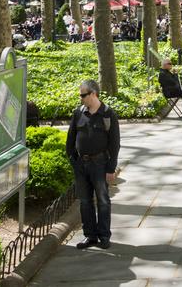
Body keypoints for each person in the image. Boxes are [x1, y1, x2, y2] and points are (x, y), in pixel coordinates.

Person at [66, 80, 120, 250]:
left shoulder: (107, 114)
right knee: (84, 201)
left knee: (103, 200)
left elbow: (114, 143)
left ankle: (104, 236)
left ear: (93, 94)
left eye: (83, 95)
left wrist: (111, 168)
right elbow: (70, 139)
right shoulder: (78, 113)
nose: (81, 98)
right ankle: (90, 236)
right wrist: (73, 159)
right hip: (81, 164)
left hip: (100, 164)